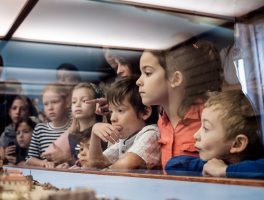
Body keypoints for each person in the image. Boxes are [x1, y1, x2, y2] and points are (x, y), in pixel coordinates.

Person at [136, 39, 222, 168]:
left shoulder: (210, 117)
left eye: (148, 73)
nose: (138, 81)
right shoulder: (162, 122)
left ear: (175, 79)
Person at [165, 90, 264, 179]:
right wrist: (208, 166)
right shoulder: (215, 162)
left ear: (237, 144)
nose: (196, 135)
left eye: (206, 128)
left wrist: (224, 171)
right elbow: (172, 164)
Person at [89, 77, 160, 170]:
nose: (112, 118)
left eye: (120, 110)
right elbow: (96, 164)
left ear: (145, 112)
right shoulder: (126, 139)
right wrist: (94, 134)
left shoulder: (151, 133)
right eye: (111, 112)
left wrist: (105, 170)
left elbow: (127, 165)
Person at [42, 82, 104, 167]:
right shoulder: (71, 135)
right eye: (74, 102)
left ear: (97, 104)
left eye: (84, 100)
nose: (77, 105)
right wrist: (66, 164)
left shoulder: (101, 131)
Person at [24, 83, 71, 168]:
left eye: (55, 102)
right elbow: (29, 159)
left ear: (67, 102)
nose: (50, 107)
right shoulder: (40, 129)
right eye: (46, 104)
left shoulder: (73, 128)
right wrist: (43, 163)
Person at [0, 95, 32, 164]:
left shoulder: (35, 129)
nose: (17, 112)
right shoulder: (7, 133)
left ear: (28, 112)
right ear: (9, 112)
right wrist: (5, 157)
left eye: (23, 109)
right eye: (14, 108)